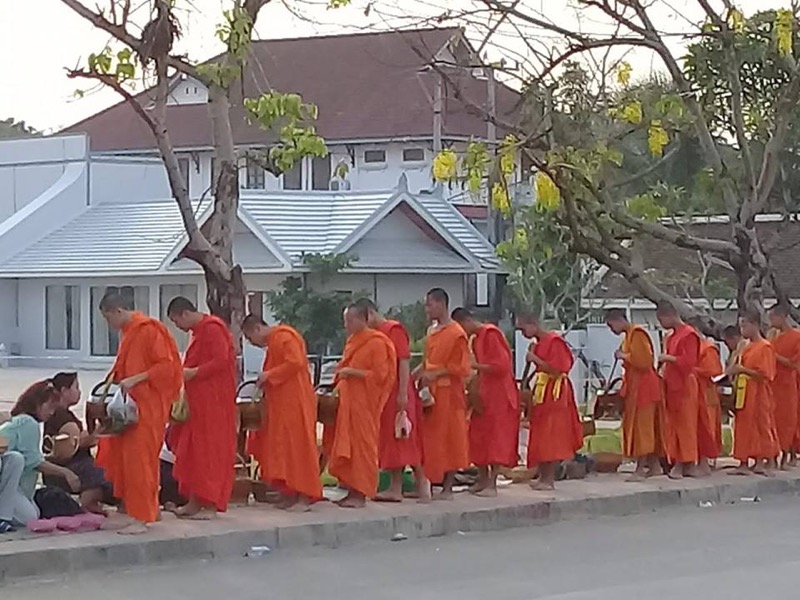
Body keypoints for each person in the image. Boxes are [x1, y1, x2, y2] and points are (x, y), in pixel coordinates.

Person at [95, 292, 183, 534]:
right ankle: (145, 510)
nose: (108, 323)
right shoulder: (130, 332)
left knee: (140, 462)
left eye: (107, 317)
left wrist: (137, 378)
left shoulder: (148, 330)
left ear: (117, 311)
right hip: (132, 408)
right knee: (132, 462)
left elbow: (167, 366)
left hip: (148, 408)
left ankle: (141, 518)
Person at [352, 298, 429, 503]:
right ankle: (416, 485)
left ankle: (404, 486)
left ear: (369, 314)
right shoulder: (375, 335)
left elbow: (403, 361)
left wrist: (403, 393)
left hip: (399, 390)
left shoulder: (393, 330)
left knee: (401, 437)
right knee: (396, 437)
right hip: (385, 391)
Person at [242, 314, 322, 512]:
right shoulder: (274, 342)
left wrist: (269, 375)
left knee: (299, 448)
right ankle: (290, 493)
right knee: (284, 449)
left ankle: (305, 495)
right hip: (281, 405)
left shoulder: (285, 336)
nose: (254, 343)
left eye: (251, 339)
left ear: (256, 329)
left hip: (296, 403)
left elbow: (296, 362)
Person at [167, 297, 237, 519]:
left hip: (214, 403)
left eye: (176, 321)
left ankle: (210, 506)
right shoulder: (198, 332)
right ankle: (194, 502)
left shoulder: (213, 328)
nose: (177, 326)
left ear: (185, 313)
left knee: (209, 453)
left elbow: (221, 361)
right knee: (191, 453)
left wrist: (193, 372)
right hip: (196, 403)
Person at [328, 304, 397, 508]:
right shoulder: (353, 341)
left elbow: (380, 375)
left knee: (363, 448)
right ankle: (351, 490)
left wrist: (352, 372)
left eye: (350, 320)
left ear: (363, 319)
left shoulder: (377, 343)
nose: (346, 325)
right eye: (345, 320)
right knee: (348, 446)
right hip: (349, 403)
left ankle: (360, 494)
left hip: (365, 405)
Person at [452, 307, 519, 497]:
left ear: (466, 321)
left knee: (495, 438)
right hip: (484, 391)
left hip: (499, 393)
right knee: (477, 435)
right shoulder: (477, 338)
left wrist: (473, 366)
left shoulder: (491, 334)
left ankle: (492, 484)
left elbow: (501, 366)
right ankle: (482, 479)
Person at [0, 381, 79, 532]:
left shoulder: (20, 421)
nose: (51, 413)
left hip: (15, 484)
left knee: (34, 513)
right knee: (28, 518)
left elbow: (32, 459)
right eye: (50, 407)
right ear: (37, 403)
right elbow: (35, 462)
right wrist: (66, 472)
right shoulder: (29, 423)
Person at [516, 312, 582, 491]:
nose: (522, 333)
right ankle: (542, 476)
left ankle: (549, 479)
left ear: (533, 323)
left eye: (523, 329)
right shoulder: (538, 344)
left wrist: (534, 359)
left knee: (551, 435)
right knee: (540, 435)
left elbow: (559, 369)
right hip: (542, 392)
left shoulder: (554, 341)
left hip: (555, 393)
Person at [417, 288, 471, 500]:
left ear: (440, 304)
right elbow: (427, 360)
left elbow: (461, 368)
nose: (427, 309)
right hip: (430, 391)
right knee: (429, 438)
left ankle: (448, 486)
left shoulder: (457, 333)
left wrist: (436, 373)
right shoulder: (432, 331)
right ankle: (429, 482)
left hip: (449, 391)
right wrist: (417, 373)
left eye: (429, 304)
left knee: (451, 437)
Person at [605, 309, 663, 481]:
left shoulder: (637, 333)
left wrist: (623, 355)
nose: (611, 330)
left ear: (618, 320)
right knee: (643, 427)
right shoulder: (628, 336)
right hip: (635, 386)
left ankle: (640, 468)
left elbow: (645, 362)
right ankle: (654, 466)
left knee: (642, 429)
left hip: (644, 388)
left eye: (611, 325)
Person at [44, 372, 114, 514]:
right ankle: (88, 503)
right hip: (68, 466)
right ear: (64, 390)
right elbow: (75, 443)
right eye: (76, 387)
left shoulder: (62, 413)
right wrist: (99, 431)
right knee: (102, 472)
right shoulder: (60, 415)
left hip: (71, 464)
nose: (79, 392)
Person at [728, 310, 778, 476]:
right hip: (744, 392)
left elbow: (766, 374)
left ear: (755, 325)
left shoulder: (765, 346)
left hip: (759, 392)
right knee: (742, 427)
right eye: (741, 325)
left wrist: (743, 369)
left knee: (760, 426)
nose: (742, 329)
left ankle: (761, 460)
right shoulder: (746, 347)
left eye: (745, 325)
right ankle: (743, 461)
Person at [656, 301, 701, 479]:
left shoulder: (689, 334)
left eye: (661, 320)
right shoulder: (671, 336)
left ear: (669, 315)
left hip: (685, 385)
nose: (661, 324)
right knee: (673, 425)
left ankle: (684, 463)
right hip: (671, 384)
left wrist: (668, 358)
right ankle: (682, 462)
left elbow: (689, 362)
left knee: (685, 425)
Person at [766, 303, 800, 469]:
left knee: (788, 420)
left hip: (788, 385)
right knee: (772, 420)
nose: (770, 321)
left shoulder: (796, 337)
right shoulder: (773, 337)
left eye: (773, 317)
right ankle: (771, 455)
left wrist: (774, 355)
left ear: (783, 316)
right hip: (773, 384)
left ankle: (787, 456)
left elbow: (795, 365)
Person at [689, 320, 724, 474]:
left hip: (706, 393)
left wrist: (691, 369)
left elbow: (714, 370)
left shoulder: (707, 348)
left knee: (706, 428)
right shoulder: (692, 347)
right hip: (692, 393)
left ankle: (706, 461)